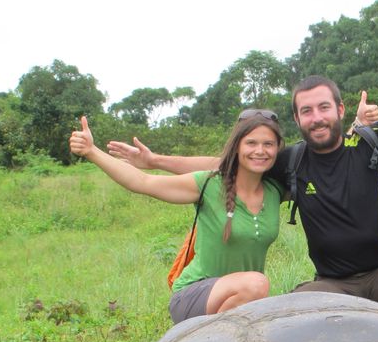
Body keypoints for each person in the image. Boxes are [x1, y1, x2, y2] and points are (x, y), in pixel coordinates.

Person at [107, 0, 378, 321]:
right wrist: (156, 161)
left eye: (322, 108)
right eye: (306, 111)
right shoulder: (292, 161)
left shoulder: (372, 143)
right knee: (285, 316)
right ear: (298, 119)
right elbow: (226, 166)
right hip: (331, 286)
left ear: (338, 109)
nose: (315, 118)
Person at [69, 109, 285, 322]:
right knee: (257, 284)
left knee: (257, 289)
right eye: (251, 143)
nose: (260, 151)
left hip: (244, 298)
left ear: (278, 149)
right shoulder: (208, 185)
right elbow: (142, 182)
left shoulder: (275, 191)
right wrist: (92, 151)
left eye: (268, 144)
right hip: (195, 294)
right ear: (237, 147)